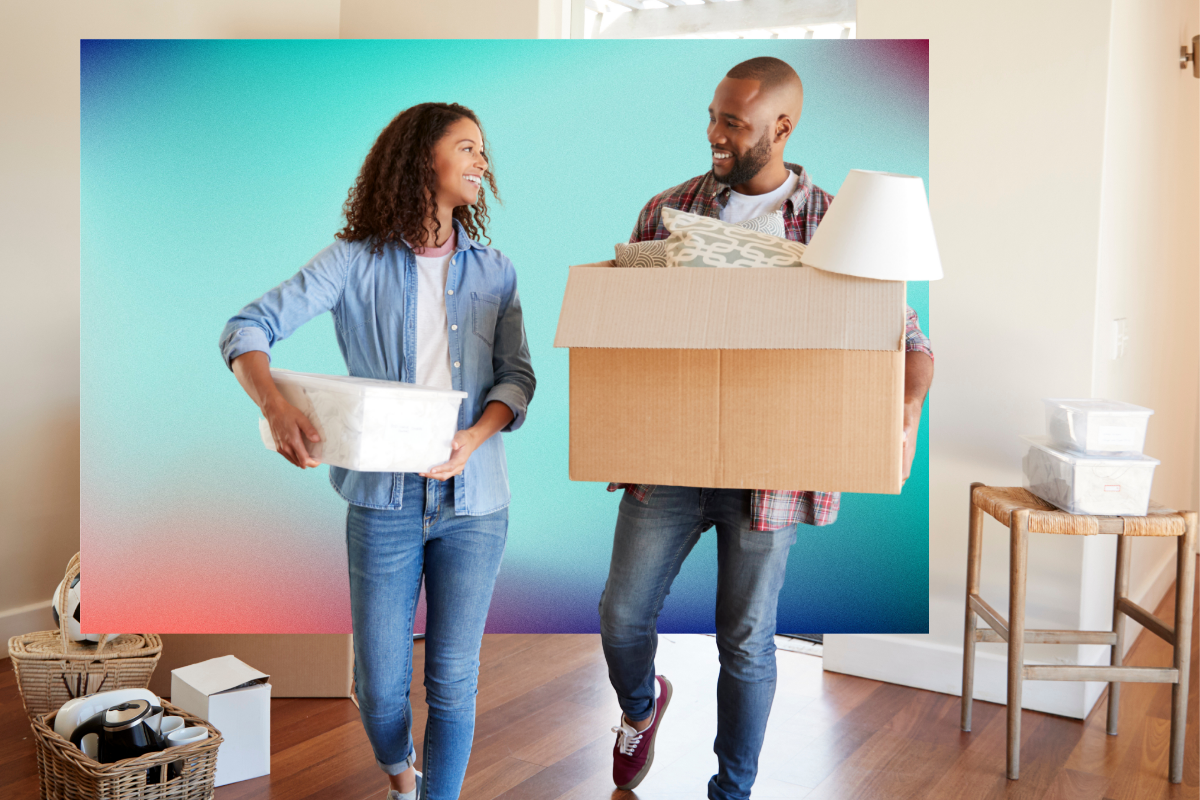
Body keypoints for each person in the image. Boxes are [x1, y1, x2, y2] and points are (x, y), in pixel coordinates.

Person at [598, 57, 934, 800]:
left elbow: (908, 341)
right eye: (713, 115)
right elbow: (618, 322)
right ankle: (639, 709)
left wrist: (905, 412)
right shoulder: (669, 208)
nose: (715, 134)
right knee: (621, 616)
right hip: (672, 457)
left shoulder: (840, 224)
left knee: (745, 642)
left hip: (771, 467)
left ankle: (733, 791)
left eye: (734, 122)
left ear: (781, 128)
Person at [218, 102, 535, 800]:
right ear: (423, 158)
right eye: (467, 148)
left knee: (453, 680)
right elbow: (247, 328)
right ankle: (402, 780)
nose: (482, 162)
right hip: (382, 504)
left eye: (483, 150)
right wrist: (276, 408)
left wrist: (475, 436)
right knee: (379, 686)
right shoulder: (352, 262)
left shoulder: (496, 272)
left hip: (475, 503)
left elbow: (519, 377)